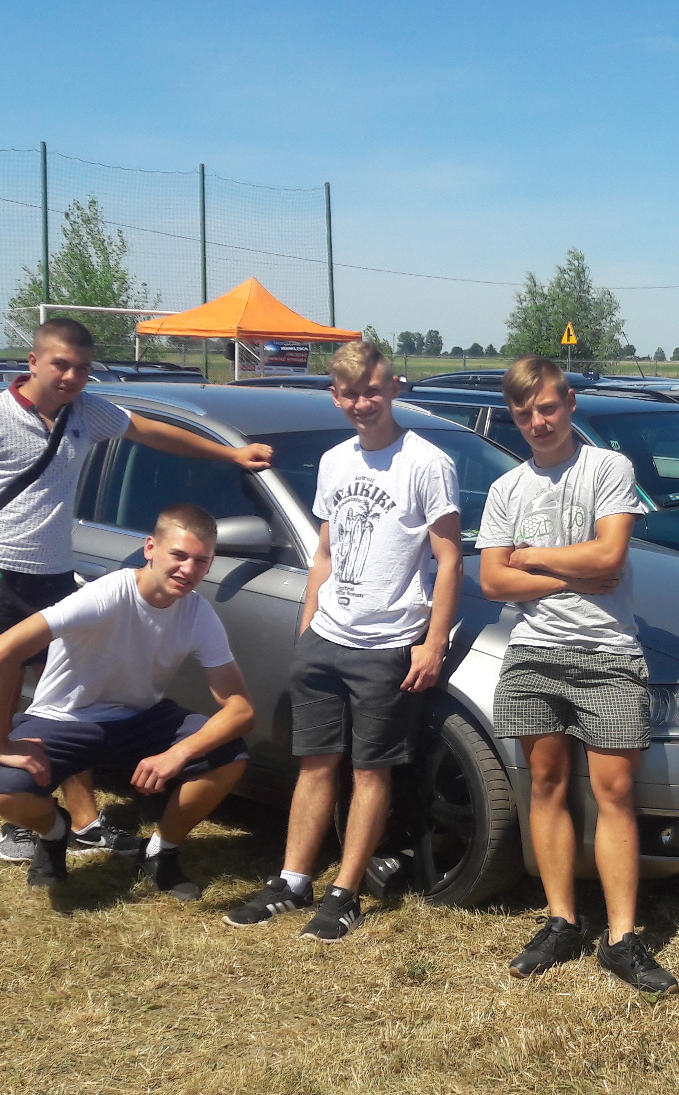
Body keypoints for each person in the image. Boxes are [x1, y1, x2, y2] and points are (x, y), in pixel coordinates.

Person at [0, 317, 271, 863]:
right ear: (34, 362)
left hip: (54, 574)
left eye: (83, 369)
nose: (72, 377)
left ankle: (84, 818)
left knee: (71, 701)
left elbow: (152, 433)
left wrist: (230, 455)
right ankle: (16, 819)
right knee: (0, 688)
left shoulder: (85, 411)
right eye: (61, 365)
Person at [224, 341, 463, 939]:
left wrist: (433, 642)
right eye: (351, 394)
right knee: (315, 763)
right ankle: (293, 881)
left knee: (371, 770)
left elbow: (449, 559)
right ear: (335, 396)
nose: (362, 403)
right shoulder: (334, 461)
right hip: (326, 637)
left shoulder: (427, 463)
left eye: (372, 391)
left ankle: (345, 892)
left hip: (386, 641)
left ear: (394, 389)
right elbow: (324, 553)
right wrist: (308, 625)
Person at [477, 356, 679, 994]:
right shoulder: (507, 489)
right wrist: (572, 572)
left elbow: (611, 556)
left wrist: (530, 557)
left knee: (614, 791)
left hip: (607, 652)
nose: (537, 422)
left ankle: (621, 938)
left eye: (547, 408)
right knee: (546, 784)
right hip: (533, 652)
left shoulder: (607, 468)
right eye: (523, 413)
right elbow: (492, 581)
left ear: (569, 404)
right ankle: (561, 921)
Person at [0, 503, 253, 897]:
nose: (188, 570)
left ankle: (161, 851)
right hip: (64, 719)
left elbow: (241, 708)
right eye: (178, 555)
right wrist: (0, 743)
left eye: (201, 561)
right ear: (150, 548)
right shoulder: (106, 595)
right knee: (6, 792)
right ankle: (55, 833)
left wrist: (179, 753)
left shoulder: (197, 613)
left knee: (229, 754)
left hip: (139, 719)